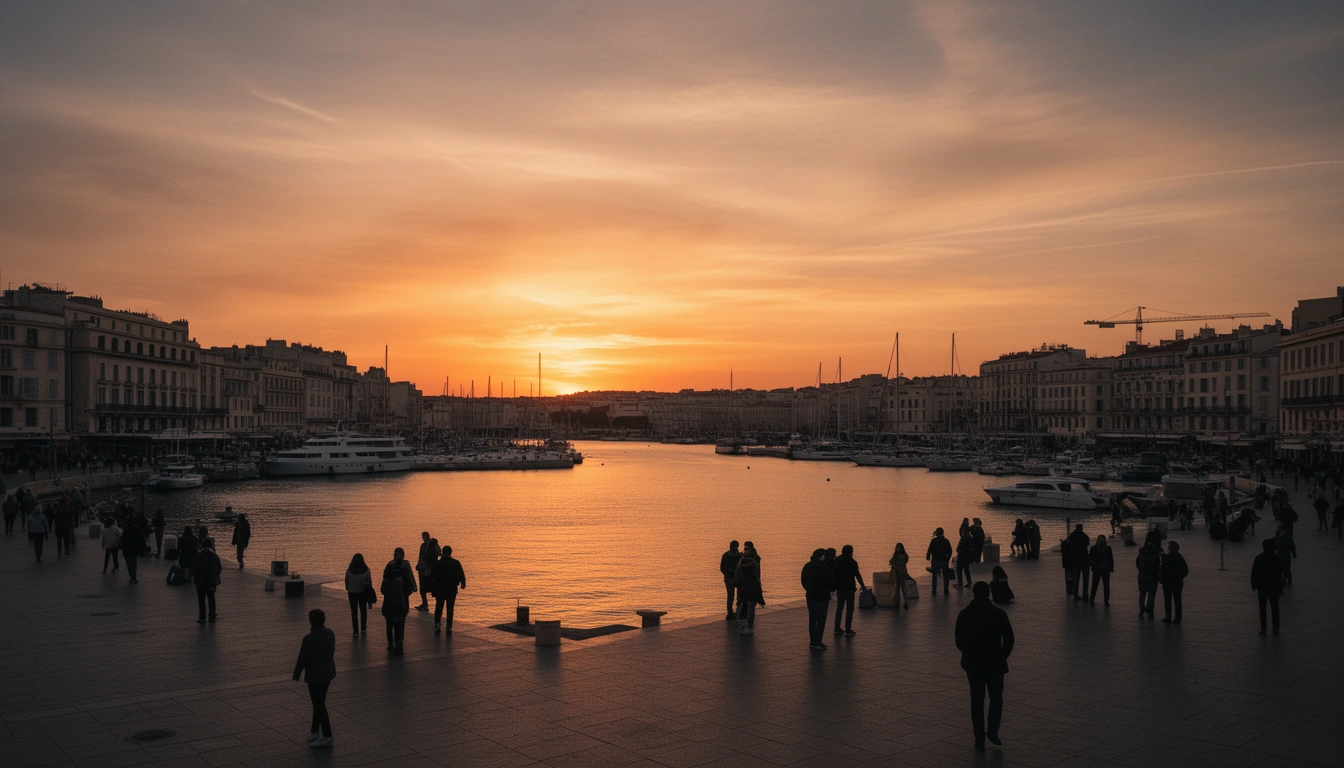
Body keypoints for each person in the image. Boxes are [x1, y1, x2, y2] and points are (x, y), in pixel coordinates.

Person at [955, 581, 1015, 751]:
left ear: (973, 594)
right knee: (996, 697)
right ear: (988, 593)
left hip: (974, 664)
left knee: (977, 699)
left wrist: (968, 653)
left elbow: (959, 641)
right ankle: (993, 729)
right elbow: (1009, 638)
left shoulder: (965, 614)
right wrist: (1002, 655)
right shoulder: (998, 613)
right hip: (995, 663)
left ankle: (978, 735)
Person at [293, 608, 336, 748]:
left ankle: (327, 734)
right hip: (328, 673)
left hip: (314, 675)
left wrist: (296, 674)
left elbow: (302, 658)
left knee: (318, 704)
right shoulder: (330, 634)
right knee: (319, 702)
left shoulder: (309, 639)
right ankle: (314, 730)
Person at [381, 547, 417, 655]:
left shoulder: (389, 565)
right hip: (402, 596)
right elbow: (410, 577)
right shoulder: (405, 565)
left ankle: (392, 643)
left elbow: (383, 588)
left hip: (390, 598)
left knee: (389, 623)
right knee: (401, 620)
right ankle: (399, 641)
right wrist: (414, 587)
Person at [800, 549, 835, 650]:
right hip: (822, 597)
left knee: (812, 619)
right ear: (822, 557)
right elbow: (831, 583)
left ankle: (812, 641)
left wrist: (809, 589)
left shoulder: (807, 566)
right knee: (821, 620)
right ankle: (818, 641)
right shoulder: (825, 568)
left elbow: (803, 580)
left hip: (810, 596)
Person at [430, 545, 466, 636]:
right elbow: (461, 574)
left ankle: (437, 624)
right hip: (452, 589)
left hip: (440, 589)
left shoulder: (438, 563)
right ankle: (449, 626)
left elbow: (432, 575)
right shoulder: (455, 563)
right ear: (451, 552)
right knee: (450, 608)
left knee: (439, 606)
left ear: (443, 552)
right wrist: (463, 584)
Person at [1250, 539, 1284, 634]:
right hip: (1274, 586)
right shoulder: (1277, 558)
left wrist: (1253, 584)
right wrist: (1280, 587)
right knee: (1275, 607)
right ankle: (1275, 627)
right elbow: (1280, 573)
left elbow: (1254, 572)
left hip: (1262, 587)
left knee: (1262, 608)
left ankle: (1263, 627)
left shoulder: (1259, 557)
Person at [832, 545, 867, 636]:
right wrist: (862, 585)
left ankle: (837, 627)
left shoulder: (837, 560)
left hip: (839, 587)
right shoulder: (852, 562)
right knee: (850, 608)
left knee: (839, 607)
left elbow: (834, 573)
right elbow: (857, 574)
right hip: (849, 588)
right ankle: (848, 629)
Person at [734, 543, 763, 635]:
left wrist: (737, 584)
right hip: (752, 587)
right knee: (751, 608)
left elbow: (737, 575)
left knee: (742, 606)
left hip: (743, 588)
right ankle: (749, 626)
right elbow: (757, 575)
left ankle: (743, 625)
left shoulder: (740, 562)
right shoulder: (754, 562)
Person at [193, 539, 223, 623]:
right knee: (211, 599)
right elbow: (219, 568)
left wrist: (196, 578)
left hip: (200, 581)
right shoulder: (214, 555)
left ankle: (202, 617)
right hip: (211, 581)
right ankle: (212, 617)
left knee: (201, 600)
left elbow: (195, 567)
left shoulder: (198, 555)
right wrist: (216, 576)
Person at [1159, 541, 1188, 624]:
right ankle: (1178, 618)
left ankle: (1168, 617)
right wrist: (1180, 576)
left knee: (1167, 600)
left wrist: (1162, 579)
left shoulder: (1166, 558)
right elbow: (1186, 570)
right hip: (1177, 582)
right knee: (1178, 600)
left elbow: (1163, 570)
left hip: (1167, 583)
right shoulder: (1179, 557)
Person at [344, 554, 373, 635]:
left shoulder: (349, 570)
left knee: (354, 611)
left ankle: (355, 630)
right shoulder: (366, 570)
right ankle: (363, 627)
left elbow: (346, 580)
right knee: (363, 610)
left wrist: (348, 588)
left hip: (352, 592)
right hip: (362, 592)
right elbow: (369, 582)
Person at [1135, 539, 1161, 618]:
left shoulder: (1141, 553)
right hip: (1153, 577)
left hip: (1142, 576)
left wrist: (1142, 570)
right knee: (1151, 595)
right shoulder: (1155, 554)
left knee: (1142, 594)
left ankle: (1142, 610)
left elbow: (1137, 563)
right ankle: (1150, 611)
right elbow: (1157, 566)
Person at [414, 532, 439, 612]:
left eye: (424, 536)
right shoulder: (423, 545)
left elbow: (437, 553)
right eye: (422, 536)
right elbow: (421, 556)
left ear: (428, 536)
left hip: (431, 569)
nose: (423, 538)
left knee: (432, 587)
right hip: (423, 568)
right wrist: (419, 564)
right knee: (422, 587)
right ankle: (424, 603)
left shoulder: (433, 545)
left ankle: (435, 604)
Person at [1067, 524, 1091, 600]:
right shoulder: (1084, 536)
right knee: (1085, 578)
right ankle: (1085, 594)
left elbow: (1069, 546)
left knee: (1076, 578)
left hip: (1076, 560)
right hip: (1084, 559)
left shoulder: (1072, 536)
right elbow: (1087, 541)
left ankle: (1076, 594)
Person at [1088, 535, 1114, 605]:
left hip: (1104, 568)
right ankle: (1092, 599)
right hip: (1098, 568)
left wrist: (1111, 567)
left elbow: (1111, 559)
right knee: (1096, 585)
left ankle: (1105, 601)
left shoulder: (1107, 548)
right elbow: (1090, 558)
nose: (1101, 541)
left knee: (1105, 585)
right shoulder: (1095, 548)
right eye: (1100, 539)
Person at [926, 528, 953, 595]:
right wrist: (948, 559)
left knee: (934, 576)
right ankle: (946, 590)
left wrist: (928, 556)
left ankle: (934, 590)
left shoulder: (934, 541)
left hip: (935, 560)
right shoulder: (946, 541)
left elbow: (930, 549)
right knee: (945, 576)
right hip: (944, 560)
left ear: (937, 533)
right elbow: (950, 551)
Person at [720, 540, 742, 621]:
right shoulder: (737, 556)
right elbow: (723, 568)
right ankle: (732, 613)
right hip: (732, 578)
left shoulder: (727, 555)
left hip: (734, 578)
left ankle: (733, 613)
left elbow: (722, 568)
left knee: (733, 596)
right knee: (733, 596)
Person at [120, 519, 146, 584]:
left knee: (128, 564)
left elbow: (122, 540)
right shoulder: (138, 530)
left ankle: (131, 576)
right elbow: (142, 540)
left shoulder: (125, 530)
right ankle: (133, 577)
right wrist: (142, 549)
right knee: (133, 563)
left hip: (126, 549)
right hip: (134, 549)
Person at [889, 543, 910, 609]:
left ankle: (903, 602)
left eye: (899, 547)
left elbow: (894, 561)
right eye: (897, 547)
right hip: (898, 572)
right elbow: (906, 561)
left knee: (901, 588)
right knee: (898, 588)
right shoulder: (904, 555)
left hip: (900, 573)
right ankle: (901, 602)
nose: (898, 549)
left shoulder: (898, 555)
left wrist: (893, 563)